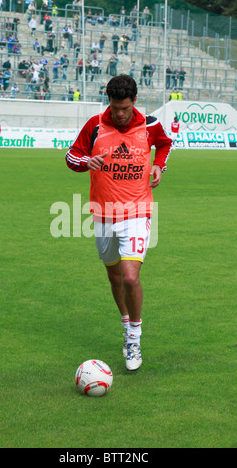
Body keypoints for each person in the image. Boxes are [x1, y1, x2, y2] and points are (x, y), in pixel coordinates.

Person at [65, 75, 172, 371]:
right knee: (113, 277)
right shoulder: (96, 124)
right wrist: (86, 161)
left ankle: (134, 338)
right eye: (114, 107)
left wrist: (159, 166)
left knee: (129, 277)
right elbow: (70, 156)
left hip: (138, 210)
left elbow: (164, 144)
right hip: (103, 213)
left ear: (134, 101)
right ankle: (126, 324)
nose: (119, 114)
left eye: (124, 108)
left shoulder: (150, 125)